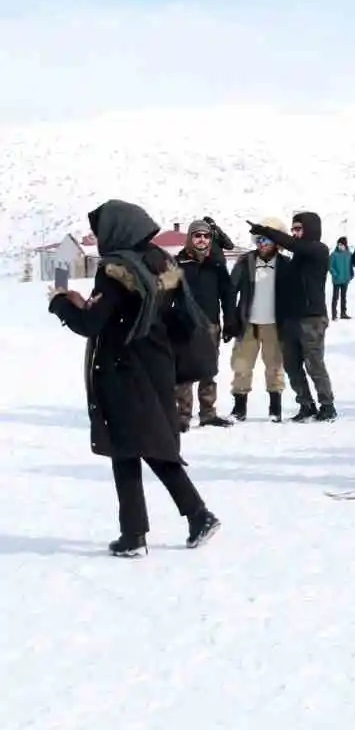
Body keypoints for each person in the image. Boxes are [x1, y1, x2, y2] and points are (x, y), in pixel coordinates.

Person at [48, 199, 221, 556]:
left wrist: (63, 301)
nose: (98, 238)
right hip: (157, 365)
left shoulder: (116, 270)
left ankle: (194, 515)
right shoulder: (159, 261)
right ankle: (136, 533)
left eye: (100, 231)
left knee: (139, 446)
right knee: (135, 445)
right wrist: (92, 306)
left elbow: (92, 324)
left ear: (116, 229)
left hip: (123, 370)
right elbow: (138, 313)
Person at [248, 213, 336, 421]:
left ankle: (327, 405)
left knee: (314, 363)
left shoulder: (318, 250)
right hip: (291, 320)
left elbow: (293, 245)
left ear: (311, 229)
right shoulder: (296, 259)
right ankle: (306, 404)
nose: (295, 233)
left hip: (312, 318)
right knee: (291, 364)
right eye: (293, 229)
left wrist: (266, 231)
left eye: (299, 228)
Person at [225, 218, 288, 421]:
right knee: (241, 366)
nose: (263, 244)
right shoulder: (245, 261)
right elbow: (230, 291)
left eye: (267, 240)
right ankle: (239, 408)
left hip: (274, 324)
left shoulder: (286, 264)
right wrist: (230, 319)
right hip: (248, 323)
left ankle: (275, 409)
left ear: (276, 243)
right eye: (259, 240)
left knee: (275, 366)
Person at [174, 220, 234, 429]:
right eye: (197, 235)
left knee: (209, 369)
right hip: (184, 325)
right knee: (184, 371)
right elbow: (165, 294)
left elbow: (227, 295)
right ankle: (182, 415)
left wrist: (230, 321)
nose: (202, 239)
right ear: (190, 238)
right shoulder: (177, 263)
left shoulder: (216, 264)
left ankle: (208, 413)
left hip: (210, 324)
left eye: (206, 236)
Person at [329, 237, 354, 320]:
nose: (340, 246)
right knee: (335, 297)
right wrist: (335, 274)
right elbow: (330, 266)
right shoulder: (333, 255)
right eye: (339, 245)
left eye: (342, 245)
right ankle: (334, 314)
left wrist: (351, 274)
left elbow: (351, 265)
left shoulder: (349, 254)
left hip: (345, 279)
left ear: (345, 245)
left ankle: (343, 313)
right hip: (337, 280)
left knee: (344, 297)